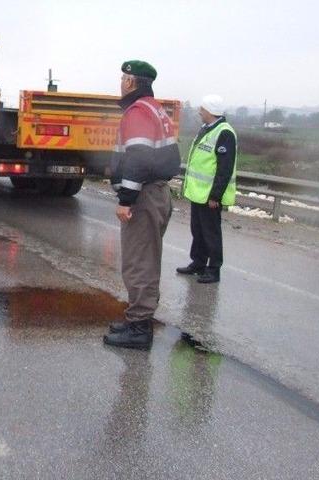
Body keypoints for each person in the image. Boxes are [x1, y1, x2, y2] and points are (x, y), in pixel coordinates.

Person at [103, 60, 180, 350]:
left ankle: (139, 328)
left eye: (124, 78)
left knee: (139, 263)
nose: (121, 83)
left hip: (145, 197)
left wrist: (126, 199)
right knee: (144, 260)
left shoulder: (137, 112)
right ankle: (137, 320)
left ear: (132, 82)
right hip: (155, 193)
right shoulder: (155, 109)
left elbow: (138, 158)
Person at [176, 95, 237, 284]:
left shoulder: (224, 133)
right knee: (198, 230)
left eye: (202, 109)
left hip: (210, 195)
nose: (199, 112)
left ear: (210, 111)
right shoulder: (207, 129)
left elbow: (224, 168)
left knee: (211, 233)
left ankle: (213, 269)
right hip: (199, 193)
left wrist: (215, 196)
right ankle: (198, 263)